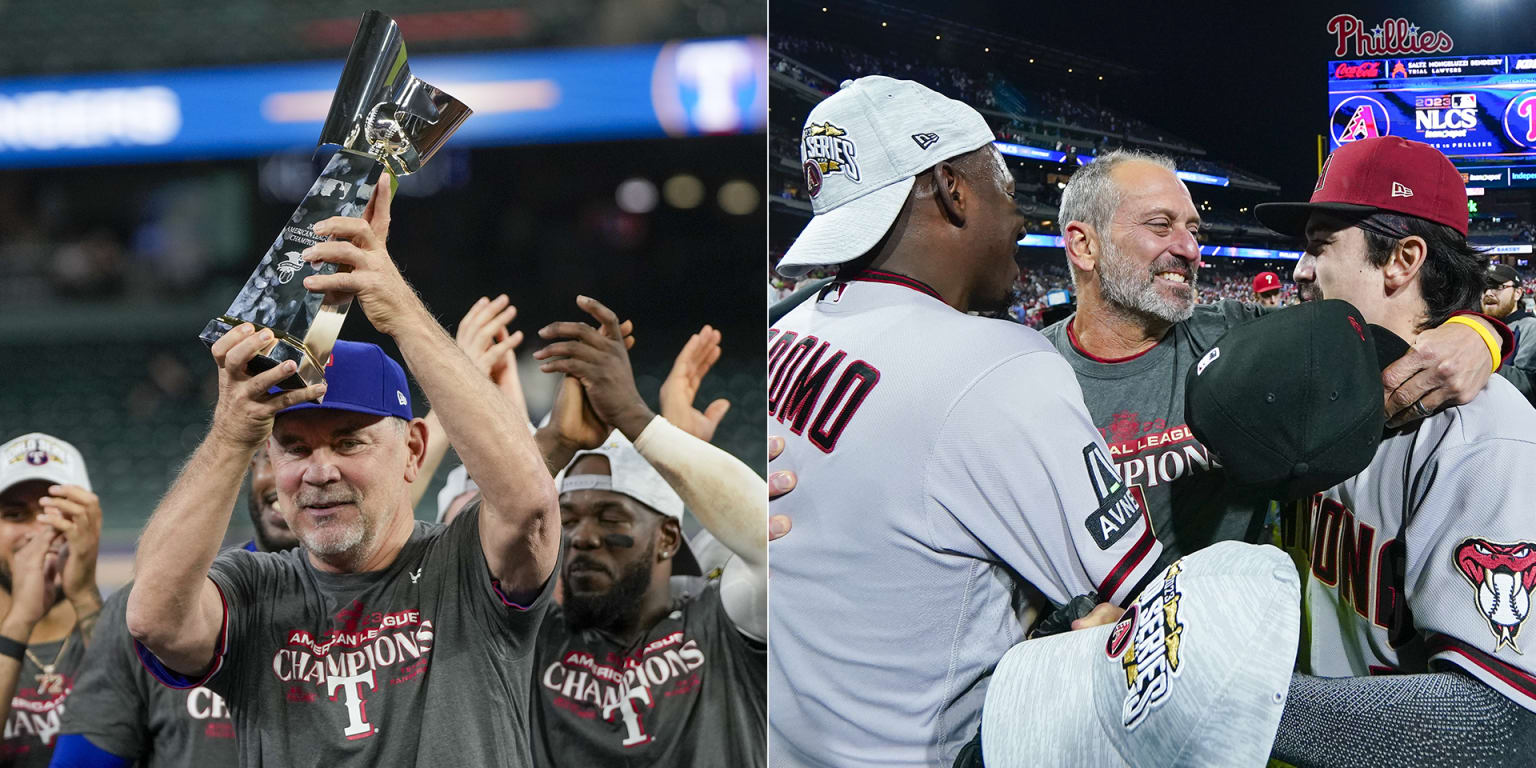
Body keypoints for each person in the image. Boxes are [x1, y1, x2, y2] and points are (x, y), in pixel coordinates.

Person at [767, 76, 1161, 768]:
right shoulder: (995, 365)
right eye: (1004, 188)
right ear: (953, 189)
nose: (1021, 219)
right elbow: (1149, 604)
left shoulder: (787, 331)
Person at [125, 180, 559, 766]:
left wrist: (399, 308)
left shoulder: (465, 564)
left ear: (413, 450)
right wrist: (232, 433)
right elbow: (154, 618)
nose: (319, 471)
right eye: (294, 448)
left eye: (349, 441)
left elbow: (530, 506)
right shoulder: (254, 589)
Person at [1040, 147, 1507, 569]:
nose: (1190, 249)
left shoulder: (1234, 331)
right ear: (1084, 244)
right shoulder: (1025, 377)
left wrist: (1479, 331)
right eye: (1161, 226)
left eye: (1194, 229)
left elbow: (1360, 328)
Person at [1248, 135, 1536, 765]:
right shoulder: (1319, 385)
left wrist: (1236, 699)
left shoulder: (1485, 435)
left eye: (1320, 244)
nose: (1299, 271)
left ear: (1402, 260)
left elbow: (1496, 723)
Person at [528, 298, 766, 766]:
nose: (583, 538)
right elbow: (478, 542)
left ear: (668, 537)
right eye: (568, 519)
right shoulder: (532, 642)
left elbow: (770, 540)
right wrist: (553, 443)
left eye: (611, 518)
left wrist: (641, 422)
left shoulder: (722, 622)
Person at [51, 448, 300, 768]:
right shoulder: (143, 612)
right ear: (250, 466)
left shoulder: (383, 605)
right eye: (272, 455)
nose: (285, 476)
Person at [0, 433, 103, 768]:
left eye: (56, 512)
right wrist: (20, 620)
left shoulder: (133, 624)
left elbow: (150, 739)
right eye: (15, 515)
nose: (39, 532)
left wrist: (85, 595)